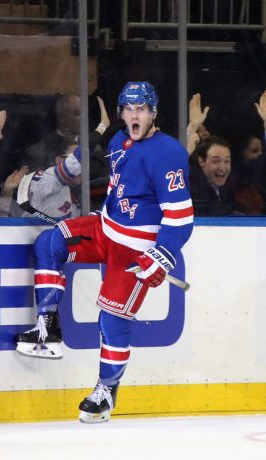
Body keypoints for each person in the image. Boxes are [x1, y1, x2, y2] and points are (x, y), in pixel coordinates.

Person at [15, 82, 194, 423]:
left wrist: (162, 255)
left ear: (153, 112)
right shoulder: (117, 140)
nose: (134, 115)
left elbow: (181, 217)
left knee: (111, 318)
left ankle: (105, 391)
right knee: (49, 244)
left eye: (141, 109)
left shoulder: (168, 153)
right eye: (129, 109)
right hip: (105, 229)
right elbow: (115, 189)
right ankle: (47, 328)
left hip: (136, 250)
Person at [189, 136, 237, 216]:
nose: (222, 168)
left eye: (227, 161)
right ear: (201, 161)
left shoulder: (231, 185)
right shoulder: (193, 188)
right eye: (216, 161)